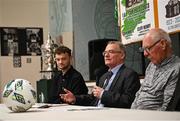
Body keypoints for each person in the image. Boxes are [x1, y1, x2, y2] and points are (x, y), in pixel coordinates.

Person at [60, 41, 140, 108]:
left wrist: (103, 94)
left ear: (122, 55)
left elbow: (129, 101)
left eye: (111, 52)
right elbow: (92, 98)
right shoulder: (103, 76)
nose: (106, 55)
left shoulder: (129, 75)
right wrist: (75, 98)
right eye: (105, 52)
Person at [131, 28, 180, 111]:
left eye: (148, 48)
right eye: (143, 50)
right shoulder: (151, 65)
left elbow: (167, 107)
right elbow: (139, 94)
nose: (145, 54)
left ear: (163, 44)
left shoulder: (176, 68)